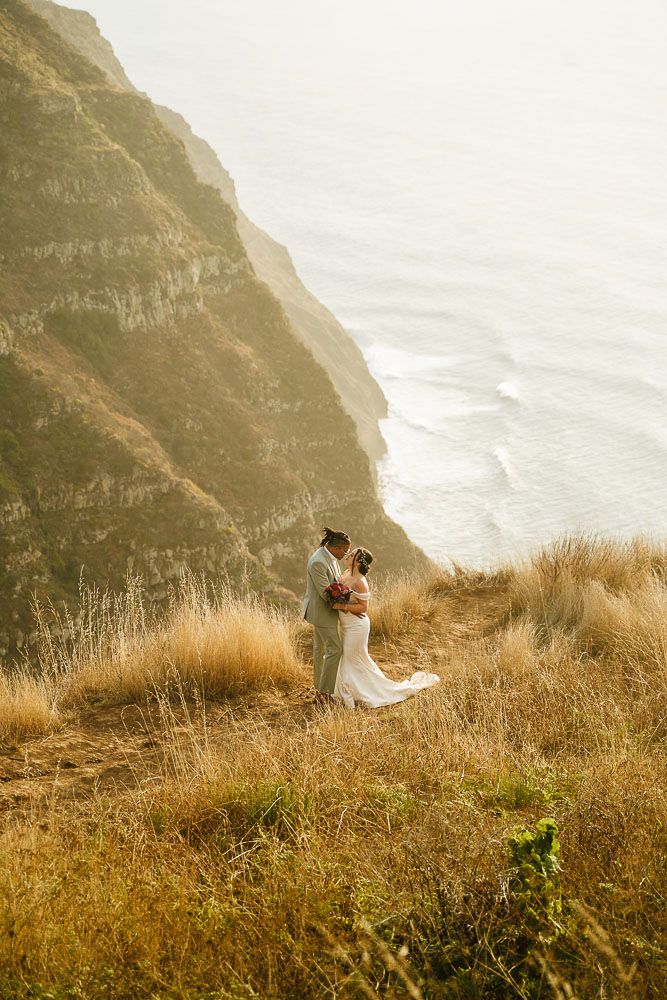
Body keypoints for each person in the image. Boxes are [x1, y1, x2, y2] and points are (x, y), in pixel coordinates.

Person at [332, 547, 440, 709]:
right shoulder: (346, 573)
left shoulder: (360, 582)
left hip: (356, 626)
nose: (348, 555)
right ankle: (351, 691)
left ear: (358, 563)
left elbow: (363, 608)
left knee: (350, 658)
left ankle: (354, 694)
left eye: (352, 555)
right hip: (346, 624)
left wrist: (340, 605)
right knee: (353, 658)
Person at [303, 526, 351, 705]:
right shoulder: (318, 562)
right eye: (344, 551)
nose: (345, 555)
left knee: (320, 650)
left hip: (323, 612)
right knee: (335, 649)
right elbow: (326, 593)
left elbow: (335, 583)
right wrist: (351, 601)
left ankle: (319, 690)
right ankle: (325, 693)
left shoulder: (329, 557)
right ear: (336, 548)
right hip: (322, 613)